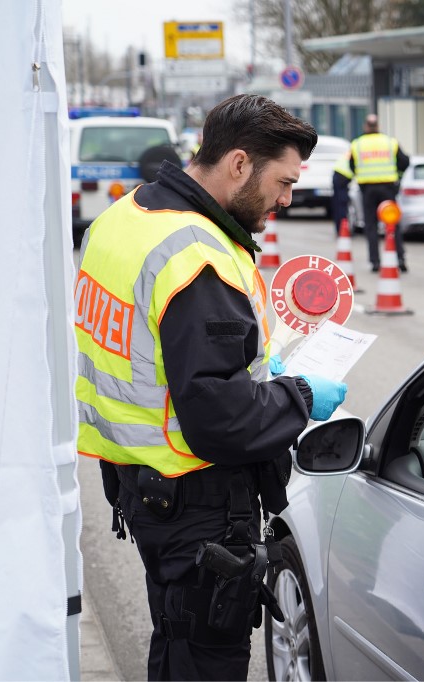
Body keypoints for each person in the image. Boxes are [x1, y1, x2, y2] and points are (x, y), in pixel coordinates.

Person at [73, 94, 349, 681]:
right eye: (283, 181)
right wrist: (301, 396)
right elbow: (219, 418)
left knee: (176, 641)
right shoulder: (196, 257)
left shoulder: (125, 218)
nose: (287, 199)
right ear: (240, 163)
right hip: (195, 500)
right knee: (204, 659)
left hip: (141, 485)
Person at [349, 113, 410, 272]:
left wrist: (361, 177)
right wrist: (398, 178)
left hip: (368, 190)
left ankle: (375, 262)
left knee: (371, 226)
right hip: (388, 189)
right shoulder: (390, 142)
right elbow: (405, 162)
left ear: (365, 126)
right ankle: (400, 258)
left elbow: (351, 166)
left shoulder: (357, 144)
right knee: (393, 225)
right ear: (378, 126)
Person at [331, 149, 353, 235]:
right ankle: (342, 230)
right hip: (343, 176)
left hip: (338, 174)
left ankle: (340, 229)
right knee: (342, 204)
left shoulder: (355, 147)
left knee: (338, 204)